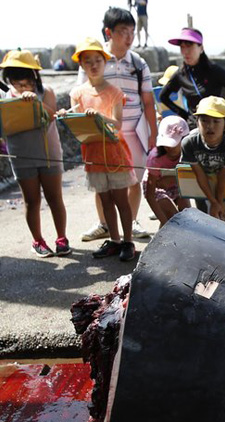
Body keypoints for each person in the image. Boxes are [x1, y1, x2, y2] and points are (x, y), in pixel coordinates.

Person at [78, 7, 156, 244]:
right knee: (101, 181)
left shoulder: (138, 62)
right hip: (103, 135)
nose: (129, 37)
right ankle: (103, 224)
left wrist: (152, 135)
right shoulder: (96, 60)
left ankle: (130, 222)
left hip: (134, 131)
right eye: (123, 31)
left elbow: (149, 101)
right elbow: (82, 94)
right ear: (108, 32)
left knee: (134, 181)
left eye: (132, 31)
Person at [68, 37, 137, 262]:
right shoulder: (77, 93)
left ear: (105, 62)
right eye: (88, 61)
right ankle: (114, 240)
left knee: (121, 200)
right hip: (93, 154)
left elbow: (117, 124)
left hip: (114, 154)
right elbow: (74, 120)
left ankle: (128, 241)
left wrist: (99, 116)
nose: (94, 65)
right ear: (81, 65)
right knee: (105, 200)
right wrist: (66, 115)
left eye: (98, 60)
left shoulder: (115, 92)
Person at [0, 49, 69, 258]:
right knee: (31, 201)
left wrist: (35, 103)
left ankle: (62, 238)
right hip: (21, 155)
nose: (21, 87)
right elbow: (0, 127)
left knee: (55, 197)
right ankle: (38, 240)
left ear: (34, 77)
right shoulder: (2, 96)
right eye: (17, 83)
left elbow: (52, 116)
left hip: (48, 153)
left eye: (26, 83)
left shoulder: (45, 91)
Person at [158, 27, 225, 124]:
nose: (185, 52)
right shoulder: (181, 73)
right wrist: (184, 115)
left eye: (189, 46)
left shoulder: (214, 70)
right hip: (193, 128)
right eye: (182, 47)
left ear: (201, 48)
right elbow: (163, 96)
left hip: (215, 128)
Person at [180, 96, 225, 223]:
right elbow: (199, 174)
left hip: (224, 182)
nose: (210, 126)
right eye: (204, 121)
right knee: (203, 216)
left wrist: (218, 203)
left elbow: (224, 177)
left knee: (223, 215)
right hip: (201, 180)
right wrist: (213, 202)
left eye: (216, 121)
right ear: (197, 122)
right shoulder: (189, 143)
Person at [143, 115, 190, 225]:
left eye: (173, 143)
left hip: (178, 185)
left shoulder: (189, 154)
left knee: (187, 217)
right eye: (166, 144)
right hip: (156, 187)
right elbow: (150, 195)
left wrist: (173, 178)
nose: (168, 147)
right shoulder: (155, 157)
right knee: (172, 220)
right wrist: (163, 221)